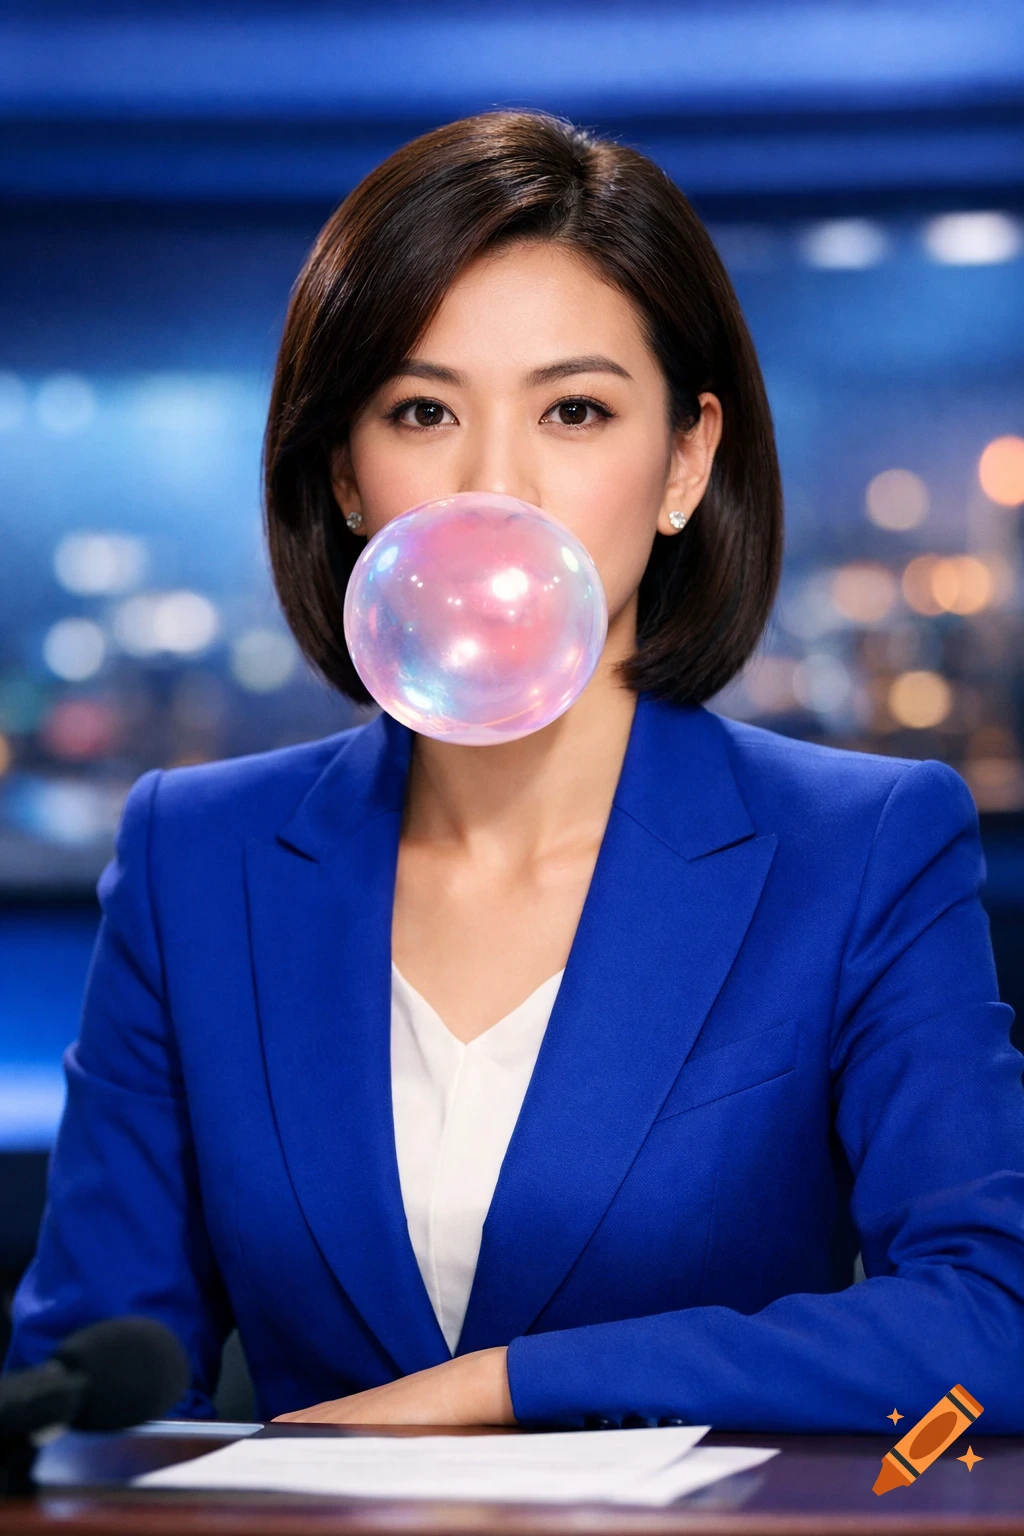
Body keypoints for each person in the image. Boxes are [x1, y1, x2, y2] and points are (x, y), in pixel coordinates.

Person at [7, 110, 1024, 1433]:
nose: (497, 484)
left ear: (684, 461)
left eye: (576, 409)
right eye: (423, 409)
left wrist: (503, 1387)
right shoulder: (193, 855)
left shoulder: (866, 845)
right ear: (350, 477)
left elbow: (992, 1323)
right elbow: (99, 1380)